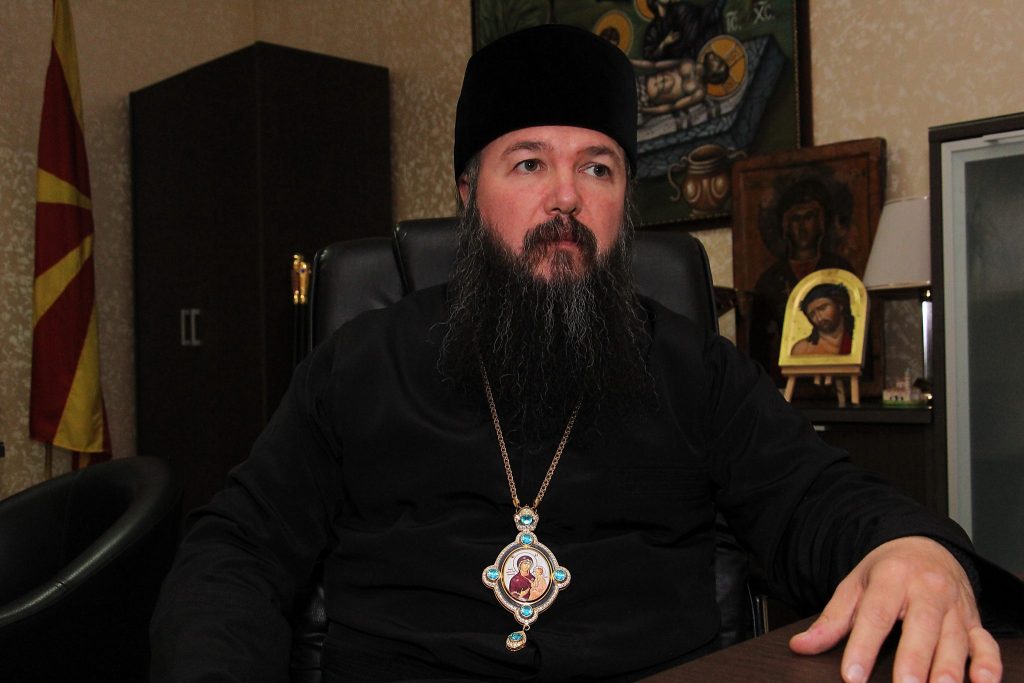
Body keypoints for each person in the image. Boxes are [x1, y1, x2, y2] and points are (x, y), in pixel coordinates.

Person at [151, 24, 1014, 682]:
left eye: (598, 168)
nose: (566, 197)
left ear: (624, 202)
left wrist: (913, 548)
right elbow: (237, 550)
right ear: (467, 195)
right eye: (528, 163)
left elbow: (819, 499)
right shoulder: (362, 362)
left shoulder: (696, 369)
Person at [790, 283, 855, 356]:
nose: (819, 318)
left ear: (840, 305)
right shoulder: (802, 350)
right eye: (812, 314)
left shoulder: (858, 339)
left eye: (822, 308)